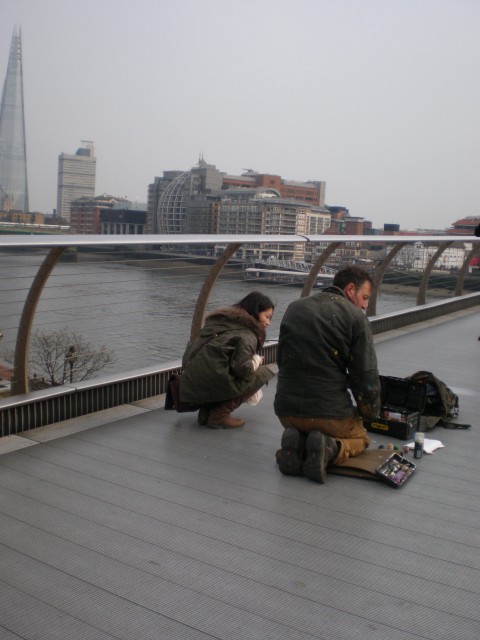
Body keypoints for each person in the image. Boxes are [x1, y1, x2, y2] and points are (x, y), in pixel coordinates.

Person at [274, 265, 381, 483]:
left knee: (311, 429)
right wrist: (369, 413)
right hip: (329, 414)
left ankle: (299, 442)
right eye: (365, 297)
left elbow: (281, 360)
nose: (365, 305)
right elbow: (365, 376)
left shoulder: (295, 307)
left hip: (285, 412)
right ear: (350, 289)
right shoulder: (356, 318)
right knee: (361, 437)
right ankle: (331, 449)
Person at [179, 291, 275, 429]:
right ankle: (219, 415)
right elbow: (242, 370)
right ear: (255, 312)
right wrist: (256, 362)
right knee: (263, 372)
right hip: (207, 380)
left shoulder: (221, 322)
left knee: (219, 370)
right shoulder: (247, 334)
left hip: (190, 378)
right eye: (267, 317)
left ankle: (206, 412)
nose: (268, 322)